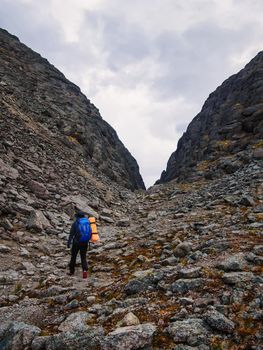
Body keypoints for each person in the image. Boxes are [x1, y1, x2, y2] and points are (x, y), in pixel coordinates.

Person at [67, 211, 91, 278]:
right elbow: (90, 231)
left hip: (76, 242)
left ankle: (72, 271)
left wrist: (69, 243)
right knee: (83, 257)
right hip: (85, 242)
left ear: (77, 216)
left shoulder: (76, 223)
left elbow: (71, 234)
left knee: (73, 256)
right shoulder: (87, 222)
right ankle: (85, 271)